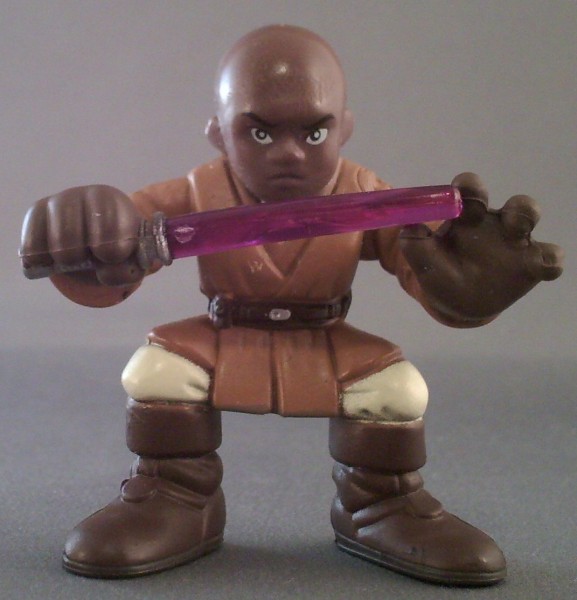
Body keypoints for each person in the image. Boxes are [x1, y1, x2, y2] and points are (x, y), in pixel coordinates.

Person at [20, 25, 563, 585]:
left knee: (399, 388)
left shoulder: (365, 195)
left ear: (344, 128)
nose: (287, 153)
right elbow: (119, 252)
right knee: (155, 371)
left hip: (325, 340)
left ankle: (379, 504)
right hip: (225, 336)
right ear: (218, 132)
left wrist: (463, 290)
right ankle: (175, 495)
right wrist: (88, 234)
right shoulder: (195, 193)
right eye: (258, 133)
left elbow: (419, 263)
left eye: (313, 132)